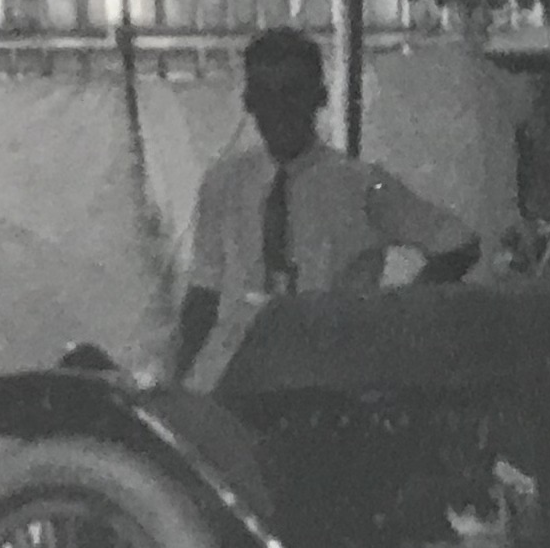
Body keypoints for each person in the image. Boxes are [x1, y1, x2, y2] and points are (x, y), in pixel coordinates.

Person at [172, 29, 481, 383]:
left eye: (292, 93)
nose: (279, 110)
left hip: (330, 373)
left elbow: (459, 243)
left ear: (319, 97)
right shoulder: (223, 183)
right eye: (265, 96)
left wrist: (393, 316)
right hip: (238, 371)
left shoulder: (361, 185)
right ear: (248, 101)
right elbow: (203, 290)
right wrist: (179, 380)